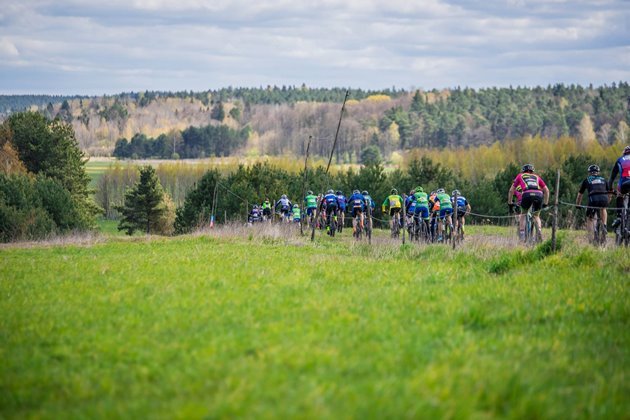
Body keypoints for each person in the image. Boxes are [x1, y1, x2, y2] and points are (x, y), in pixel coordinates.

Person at [508, 164, 550, 241]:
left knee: (523, 214)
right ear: (532, 171)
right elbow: (546, 191)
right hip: (539, 194)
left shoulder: (520, 176)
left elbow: (511, 191)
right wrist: (545, 203)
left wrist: (510, 203)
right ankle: (539, 232)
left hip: (526, 193)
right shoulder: (537, 177)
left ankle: (522, 236)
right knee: (536, 216)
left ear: (523, 171)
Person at [576, 164, 610, 238]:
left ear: (589, 173)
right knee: (603, 208)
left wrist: (577, 205)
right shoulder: (603, 179)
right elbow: (610, 192)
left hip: (593, 199)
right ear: (598, 172)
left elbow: (580, 195)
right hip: (604, 198)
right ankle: (604, 225)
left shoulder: (587, 179)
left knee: (589, 218)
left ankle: (590, 236)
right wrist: (608, 201)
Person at [608, 145, 630, 228]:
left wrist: (610, 189)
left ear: (624, 153)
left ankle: (619, 217)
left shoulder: (620, 160)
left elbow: (612, 178)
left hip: (624, 183)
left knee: (619, 194)